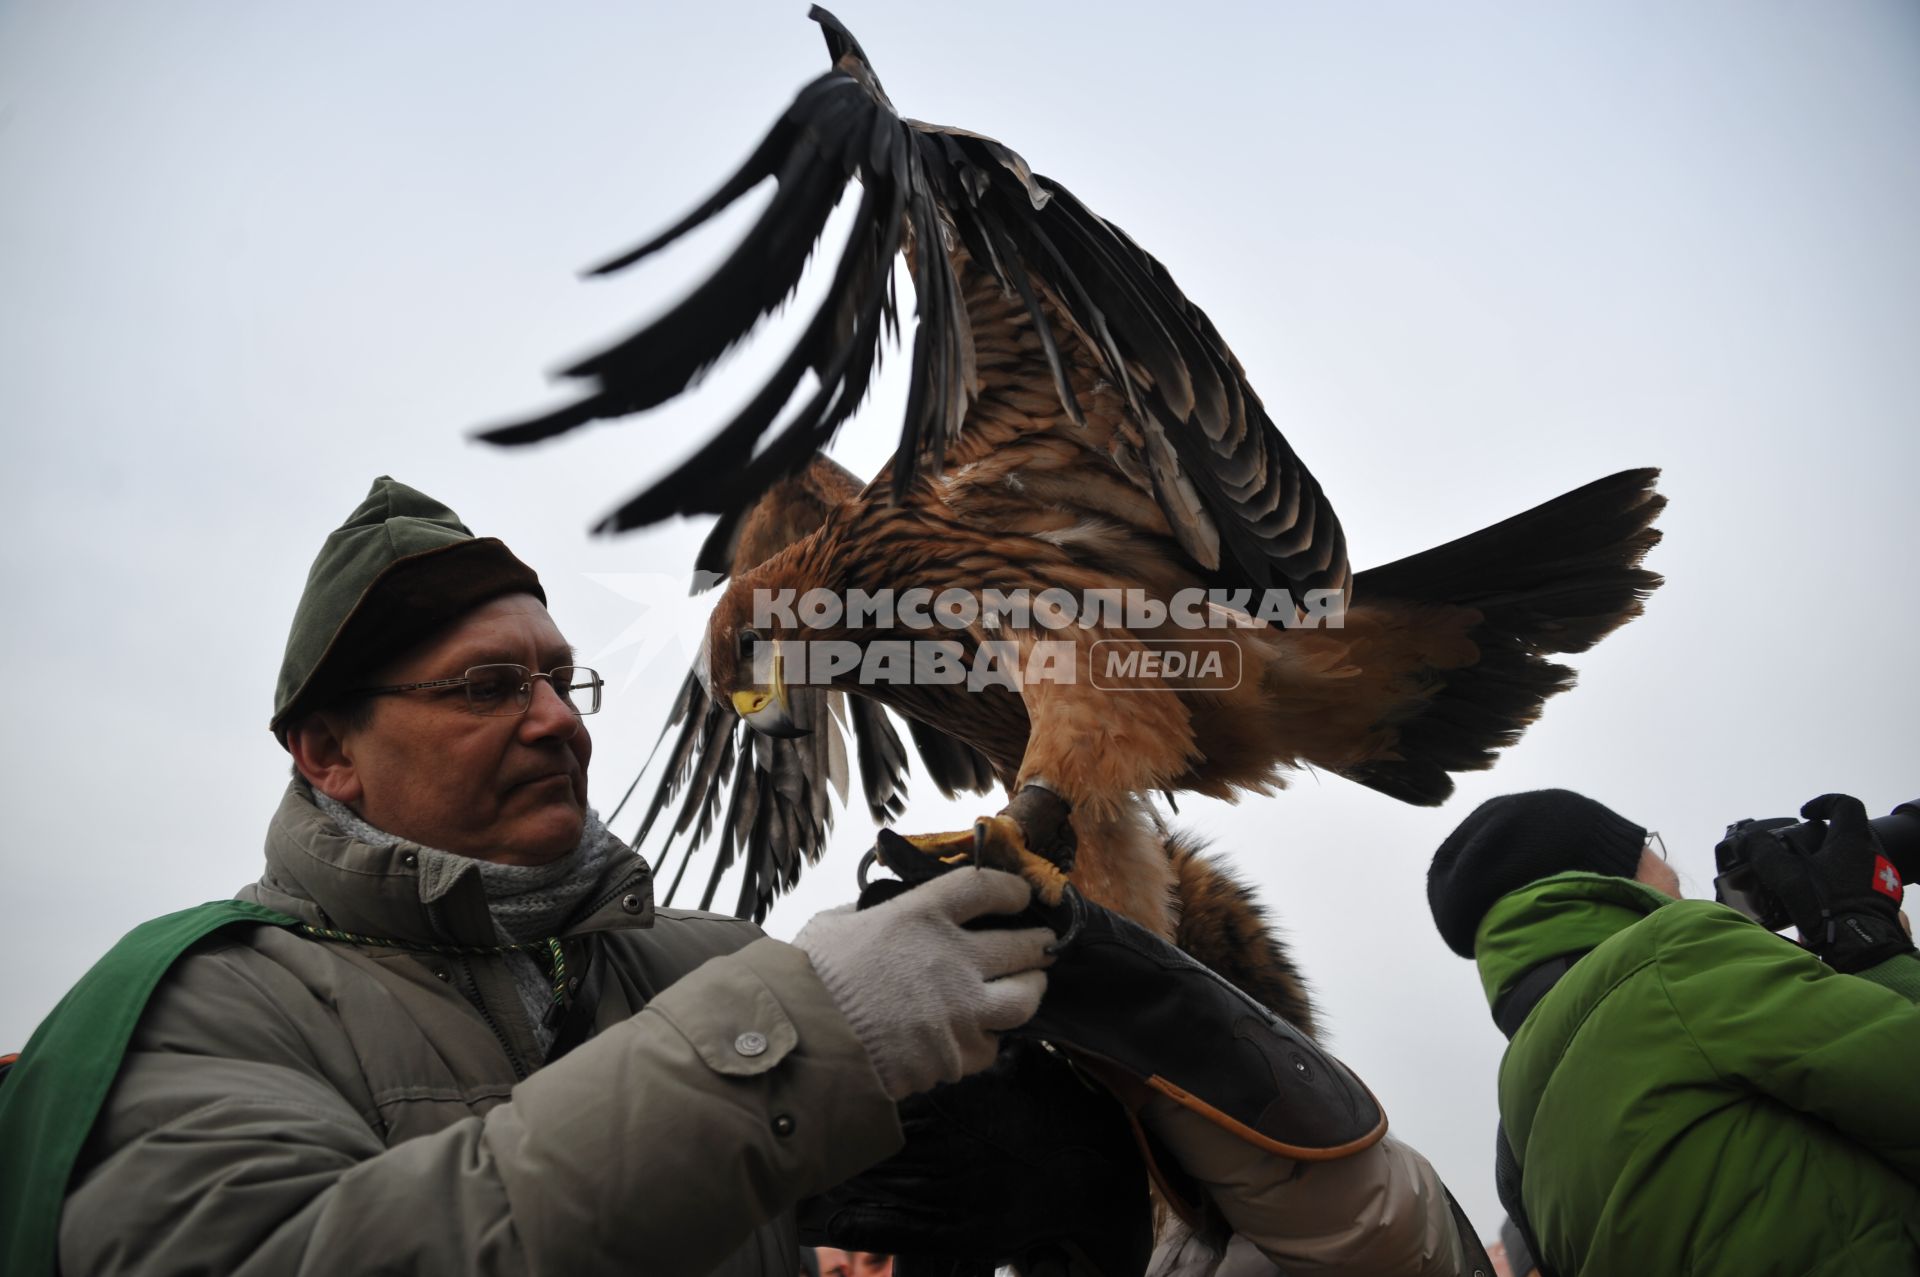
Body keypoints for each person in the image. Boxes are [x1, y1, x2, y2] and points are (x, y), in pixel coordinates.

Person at [0, 477, 1055, 1276]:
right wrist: (796, 1040)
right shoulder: (202, 1002)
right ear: (330, 752)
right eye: (488, 686)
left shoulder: (718, 961)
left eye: (562, 677)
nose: (556, 718)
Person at [1426, 788, 1920, 1276]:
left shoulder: (1515, 1130)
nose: (1671, 870)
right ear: (1612, 872)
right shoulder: (1674, 952)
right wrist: (1871, 944)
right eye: (1650, 846)